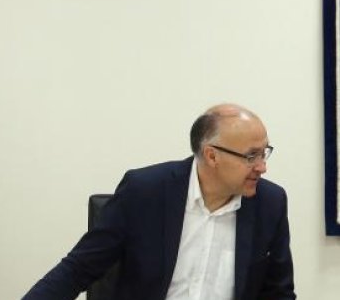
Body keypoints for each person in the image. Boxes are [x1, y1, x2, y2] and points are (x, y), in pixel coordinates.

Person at [23, 103, 296, 300]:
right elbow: (78, 269)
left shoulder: (269, 203)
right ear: (211, 156)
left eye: (265, 153)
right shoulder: (145, 192)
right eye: (251, 156)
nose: (262, 167)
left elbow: (279, 293)